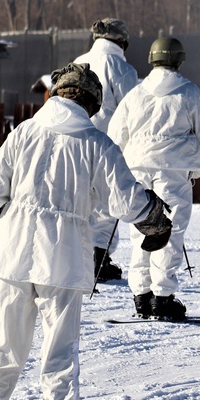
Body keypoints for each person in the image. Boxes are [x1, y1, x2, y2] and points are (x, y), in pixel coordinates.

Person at [0, 62, 172, 400]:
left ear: (57, 93)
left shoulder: (23, 132)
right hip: (60, 253)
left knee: (6, 330)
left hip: (12, 247)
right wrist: (156, 222)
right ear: (91, 102)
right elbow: (127, 200)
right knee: (59, 340)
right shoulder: (96, 143)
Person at [108, 36, 200, 320]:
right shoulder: (189, 93)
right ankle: (163, 299)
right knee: (169, 232)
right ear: (179, 60)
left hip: (137, 171)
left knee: (141, 231)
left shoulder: (136, 94)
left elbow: (115, 136)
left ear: (153, 60)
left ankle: (141, 297)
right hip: (173, 172)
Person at [74, 18, 140, 285]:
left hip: (75, 140)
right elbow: (133, 107)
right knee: (104, 200)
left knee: (79, 196)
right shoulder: (120, 67)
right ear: (122, 41)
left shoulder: (78, 61)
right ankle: (98, 258)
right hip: (107, 142)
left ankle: (78, 254)